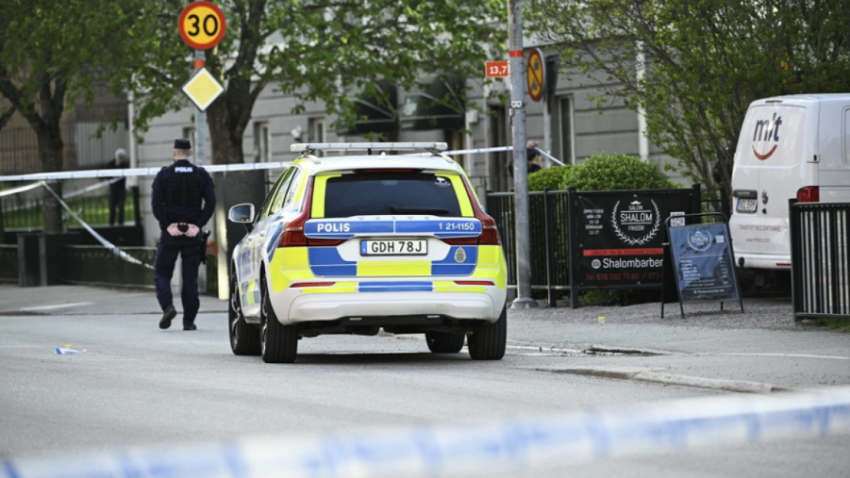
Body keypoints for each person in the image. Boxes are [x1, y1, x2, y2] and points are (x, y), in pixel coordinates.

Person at [151, 138, 216, 331]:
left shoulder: (164, 175)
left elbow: (156, 205)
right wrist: (197, 225)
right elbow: (211, 203)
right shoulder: (201, 175)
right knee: (189, 278)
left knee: (162, 273)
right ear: (190, 153)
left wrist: (167, 225)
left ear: (174, 153)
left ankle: (168, 307)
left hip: (171, 233)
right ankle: (189, 321)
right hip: (192, 234)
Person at [106, 148, 129, 226]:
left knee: (121, 207)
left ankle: (121, 224)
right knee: (112, 207)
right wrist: (112, 176)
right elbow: (106, 175)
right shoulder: (110, 164)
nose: (120, 159)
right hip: (113, 188)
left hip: (121, 188)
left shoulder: (124, 165)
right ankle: (111, 224)